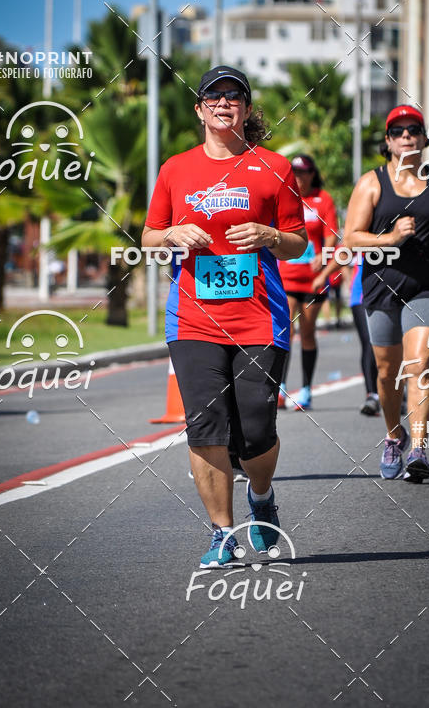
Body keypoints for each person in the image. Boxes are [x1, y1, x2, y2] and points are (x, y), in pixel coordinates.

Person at [142, 66, 307, 566]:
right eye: (213, 96)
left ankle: (260, 496)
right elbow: (149, 237)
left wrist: (270, 236)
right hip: (193, 319)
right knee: (206, 425)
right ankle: (222, 532)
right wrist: (172, 235)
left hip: (261, 317)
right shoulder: (175, 169)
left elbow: (299, 242)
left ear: (246, 109)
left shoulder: (274, 167)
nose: (223, 103)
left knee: (256, 428)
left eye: (233, 96)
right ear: (199, 109)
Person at [343, 105, 429, 482]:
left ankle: (418, 447)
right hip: (381, 287)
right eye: (398, 131)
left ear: (424, 138)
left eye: (413, 129)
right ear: (388, 142)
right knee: (386, 372)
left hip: (426, 286)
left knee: (419, 365)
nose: (406, 136)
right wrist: (391, 238)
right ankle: (393, 434)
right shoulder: (372, 183)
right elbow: (350, 237)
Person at [277, 154, 338, 410]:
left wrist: (323, 257)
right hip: (286, 277)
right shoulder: (284, 197)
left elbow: (332, 236)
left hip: (313, 281)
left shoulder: (322, 200)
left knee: (308, 333)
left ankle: (305, 389)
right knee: (285, 332)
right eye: (295, 172)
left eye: (304, 172)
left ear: (312, 173)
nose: (299, 177)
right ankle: (279, 388)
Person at [315, 254, 380, 415]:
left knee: (394, 345)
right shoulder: (360, 229)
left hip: (393, 292)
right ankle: (372, 395)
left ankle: (398, 390)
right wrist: (323, 275)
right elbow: (344, 252)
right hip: (362, 294)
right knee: (369, 343)